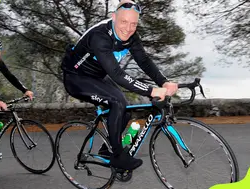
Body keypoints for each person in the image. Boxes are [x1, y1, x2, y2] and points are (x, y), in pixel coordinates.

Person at [61, 0, 178, 171]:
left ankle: (106, 150)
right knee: (117, 102)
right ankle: (117, 156)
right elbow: (117, 74)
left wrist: (163, 81)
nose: (128, 28)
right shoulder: (100, 36)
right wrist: (151, 90)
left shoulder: (131, 37)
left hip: (97, 77)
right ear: (113, 17)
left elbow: (144, 61)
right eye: (124, 22)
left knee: (125, 109)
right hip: (76, 78)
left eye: (134, 24)